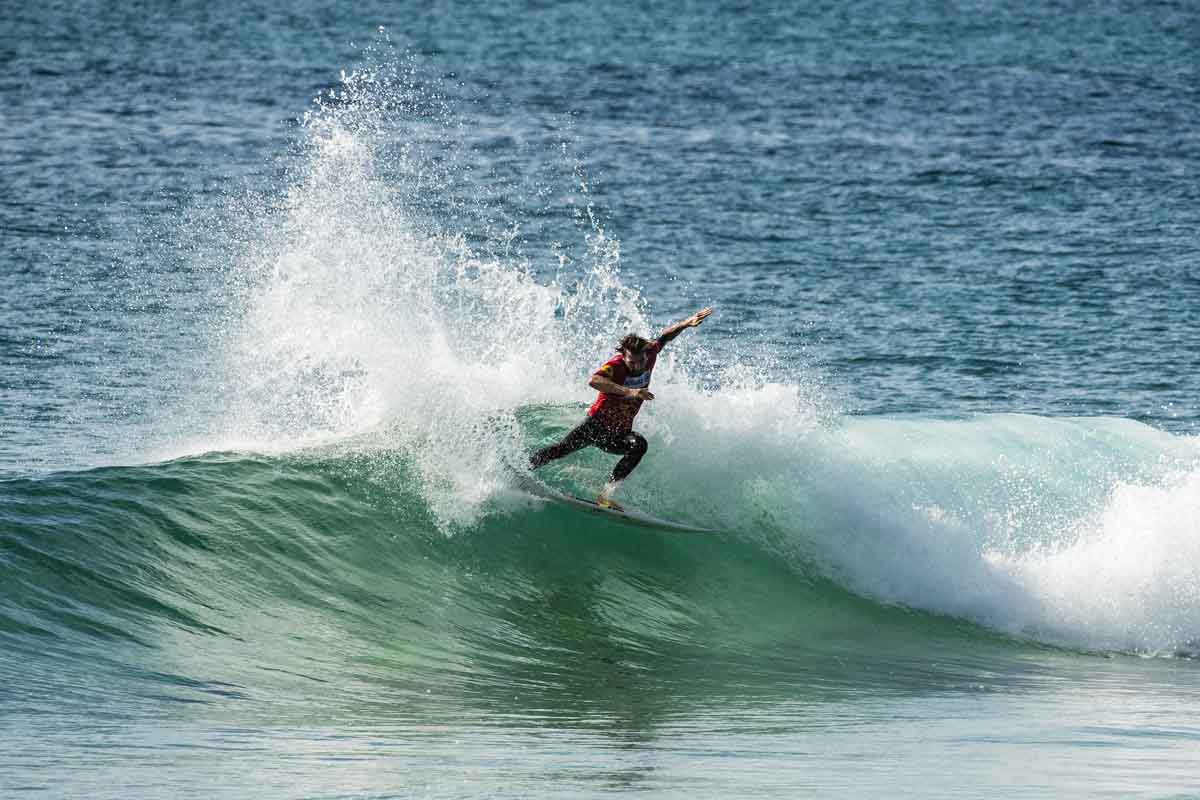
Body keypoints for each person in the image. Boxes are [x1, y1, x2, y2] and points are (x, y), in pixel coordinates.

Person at [530, 307, 713, 510]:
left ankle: (606, 495)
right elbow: (594, 380)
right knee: (560, 450)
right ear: (623, 356)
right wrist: (630, 392)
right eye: (631, 362)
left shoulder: (649, 354)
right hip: (596, 425)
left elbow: (664, 337)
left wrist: (687, 322)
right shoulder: (615, 365)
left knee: (639, 445)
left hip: (619, 433)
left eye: (641, 360)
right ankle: (524, 467)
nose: (637, 366)